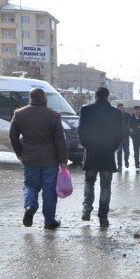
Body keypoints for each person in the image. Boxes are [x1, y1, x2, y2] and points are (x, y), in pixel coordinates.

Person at [9, 87, 68, 230]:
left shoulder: (19, 114)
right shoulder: (54, 115)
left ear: (30, 98)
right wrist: (63, 160)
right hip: (50, 159)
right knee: (49, 190)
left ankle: (30, 206)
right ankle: (49, 222)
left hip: (29, 158)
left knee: (30, 186)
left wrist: (19, 154)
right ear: (44, 99)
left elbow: (13, 136)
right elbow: (60, 139)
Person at [78, 87, 124, 228]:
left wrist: (87, 145)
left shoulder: (86, 110)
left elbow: (80, 130)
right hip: (108, 154)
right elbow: (120, 134)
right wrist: (113, 147)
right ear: (107, 97)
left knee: (89, 181)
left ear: (96, 96)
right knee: (106, 186)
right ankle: (103, 218)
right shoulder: (116, 113)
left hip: (91, 152)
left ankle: (87, 209)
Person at [115, 103, 130, 171]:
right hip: (118, 137)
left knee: (126, 151)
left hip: (125, 136)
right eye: (120, 108)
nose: (121, 109)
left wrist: (127, 131)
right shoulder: (114, 116)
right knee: (119, 151)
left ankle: (126, 161)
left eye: (122, 108)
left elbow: (129, 125)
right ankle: (119, 166)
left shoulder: (127, 115)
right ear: (117, 109)